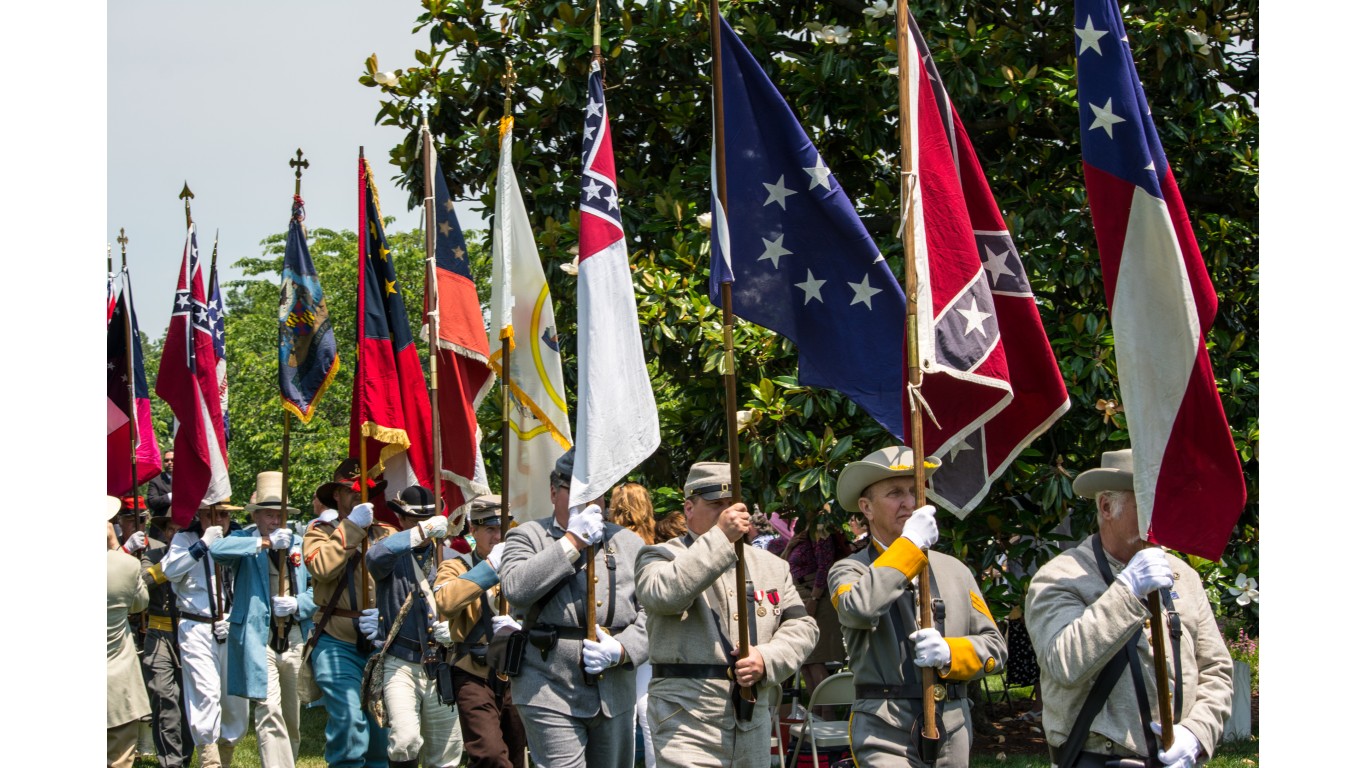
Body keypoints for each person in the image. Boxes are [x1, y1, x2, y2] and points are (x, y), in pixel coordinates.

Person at [1024, 449, 1233, 768]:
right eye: (1147, 504)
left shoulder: (1184, 577)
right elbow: (1064, 664)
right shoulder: (1059, 577)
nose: (1162, 516)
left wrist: (1196, 734)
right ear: (1107, 506)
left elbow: (1216, 669)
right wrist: (1127, 591)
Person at [827, 445, 1007, 768]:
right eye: (895, 493)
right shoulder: (849, 570)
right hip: (885, 728)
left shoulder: (956, 571)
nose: (910, 503)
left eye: (914, 491)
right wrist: (910, 546)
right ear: (866, 508)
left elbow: (996, 647)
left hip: (953, 728)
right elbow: (859, 608)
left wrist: (951, 653)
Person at [635, 461, 819, 768]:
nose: (727, 514)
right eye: (715, 505)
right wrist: (721, 537)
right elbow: (665, 595)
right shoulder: (660, 555)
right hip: (686, 724)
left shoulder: (772, 566)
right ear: (689, 508)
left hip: (753, 722)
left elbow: (802, 626)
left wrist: (768, 658)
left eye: (731, 505)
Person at [498, 448, 650, 768]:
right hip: (547, 687)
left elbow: (653, 612)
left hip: (614, 693)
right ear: (554, 493)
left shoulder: (629, 543)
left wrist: (623, 649)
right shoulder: (527, 536)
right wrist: (571, 542)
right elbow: (516, 591)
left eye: (596, 495)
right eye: (577, 493)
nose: (589, 504)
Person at [210, 471, 316, 767]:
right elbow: (217, 550)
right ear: (255, 516)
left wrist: (298, 603)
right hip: (259, 638)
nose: (274, 521)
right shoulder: (244, 539)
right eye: (268, 515)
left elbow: (317, 590)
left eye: (279, 514)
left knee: (291, 717)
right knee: (268, 709)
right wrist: (265, 544)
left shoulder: (299, 542)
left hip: (293, 635)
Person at [303, 459, 398, 768]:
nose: (359, 494)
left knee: (379, 733)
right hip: (336, 639)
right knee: (348, 722)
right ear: (337, 496)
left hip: (380, 643)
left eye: (367, 489)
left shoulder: (387, 533)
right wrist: (354, 527)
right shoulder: (319, 532)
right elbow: (322, 567)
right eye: (351, 489)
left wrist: (385, 617)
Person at [365, 485, 464, 768]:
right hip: (401, 662)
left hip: (442, 663)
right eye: (415, 521)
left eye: (429, 520)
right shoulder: (390, 555)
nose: (423, 526)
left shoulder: (449, 558)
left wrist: (454, 630)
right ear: (402, 521)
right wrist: (419, 534)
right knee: (405, 739)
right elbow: (374, 558)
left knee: (446, 751)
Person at [433, 495, 528, 768]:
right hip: (473, 671)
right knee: (488, 754)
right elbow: (446, 601)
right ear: (473, 530)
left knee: (515, 754)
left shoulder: (522, 566)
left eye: (504, 529)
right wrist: (489, 569)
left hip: (516, 670)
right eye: (490, 529)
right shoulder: (456, 566)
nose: (498, 536)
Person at [160, 501, 251, 768]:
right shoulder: (184, 538)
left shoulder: (237, 537)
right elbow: (170, 572)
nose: (220, 519)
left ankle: (225, 757)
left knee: (234, 701)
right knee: (206, 693)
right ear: (200, 514)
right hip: (196, 626)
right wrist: (201, 545)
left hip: (231, 625)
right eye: (214, 513)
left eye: (224, 514)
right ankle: (209, 762)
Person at [134, 510, 194, 768]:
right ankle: (171, 762)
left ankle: (184, 758)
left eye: (180, 529)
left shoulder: (198, 559)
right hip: (159, 634)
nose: (174, 534)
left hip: (191, 634)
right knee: (163, 697)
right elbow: (144, 580)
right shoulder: (154, 555)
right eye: (170, 529)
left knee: (188, 702)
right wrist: (171, 565)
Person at [779, 508, 852, 710]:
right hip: (801, 592)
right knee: (806, 662)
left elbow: (825, 566)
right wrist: (791, 545)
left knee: (816, 658)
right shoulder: (802, 534)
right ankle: (815, 717)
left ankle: (826, 719)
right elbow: (783, 564)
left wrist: (814, 598)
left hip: (815, 596)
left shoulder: (821, 531)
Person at [608, 482, 658, 768]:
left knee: (623, 712)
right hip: (648, 631)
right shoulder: (653, 542)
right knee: (647, 708)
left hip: (619, 632)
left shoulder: (612, 542)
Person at [108, 496, 152, 768]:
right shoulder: (126, 565)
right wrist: (116, 548)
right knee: (119, 760)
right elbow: (140, 603)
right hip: (117, 685)